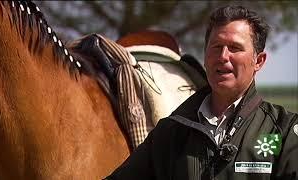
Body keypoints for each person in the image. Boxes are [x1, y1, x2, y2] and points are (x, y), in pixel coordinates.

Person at [105, 5, 298, 180]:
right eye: (216, 47)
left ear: (259, 61)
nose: (223, 56)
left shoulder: (285, 131)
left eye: (235, 48)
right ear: (205, 57)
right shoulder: (170, 132)